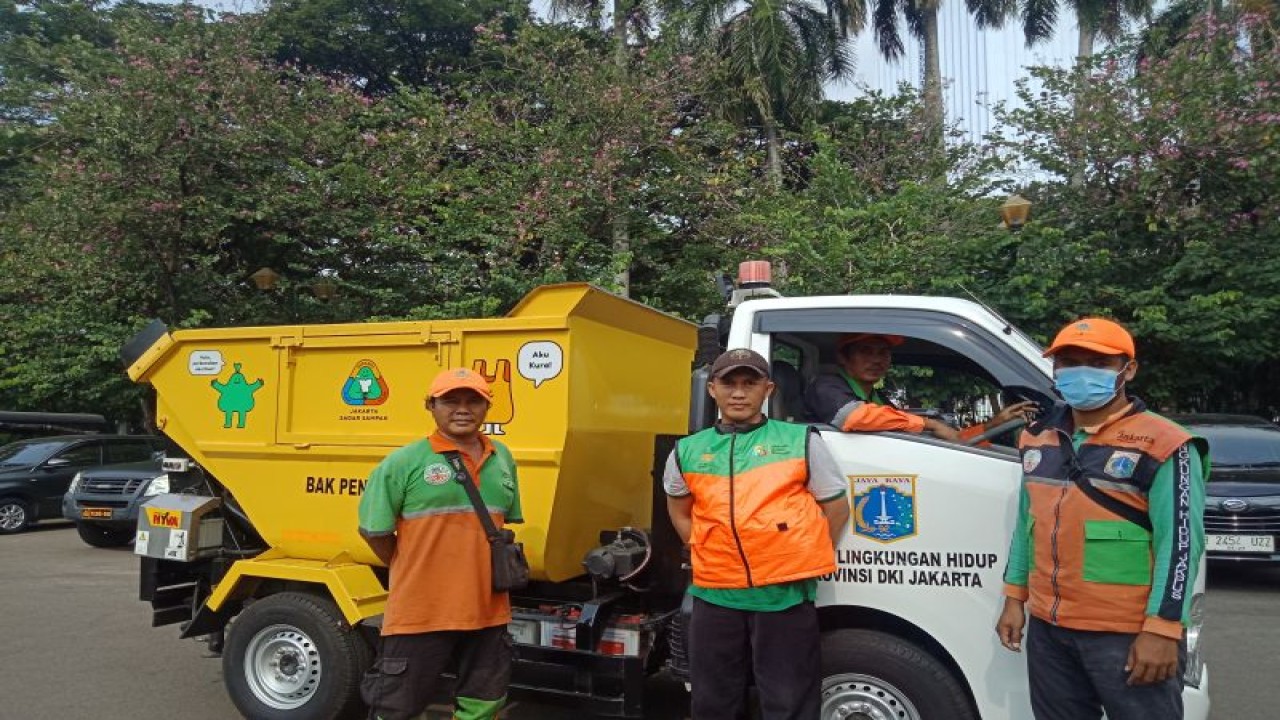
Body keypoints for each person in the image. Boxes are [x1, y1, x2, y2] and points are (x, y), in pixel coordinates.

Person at [995, 318, 1208, 720]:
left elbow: (1180, 545)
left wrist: (1163, 629)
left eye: (1098, 361)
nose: (1080, 370)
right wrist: (1014, 599)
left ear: (1128, 369)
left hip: (1127, 633)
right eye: (1069, 361)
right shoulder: (1037, 437)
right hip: (1049, 628)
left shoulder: (1167, 444)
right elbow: (1028, 526)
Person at [665, 348, 851, 720]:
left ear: (767, 389)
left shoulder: (801, 441)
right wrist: (706, 548)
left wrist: (803, 556)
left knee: (789, 700)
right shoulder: (687, 450)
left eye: (749, 383)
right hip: (714, 595)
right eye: (729, 383)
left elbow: (836, 508)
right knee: (713, 702)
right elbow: (679, 510)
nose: (738, 393)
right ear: (712, 390)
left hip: (783, 596)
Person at [358, 367, 523, 720]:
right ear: (430, 406)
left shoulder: (503, 458)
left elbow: (498, 526)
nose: (462, 409)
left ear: (487, 407)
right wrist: (411, 565)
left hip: (488, 612)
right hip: (420, 611)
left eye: (473, 400)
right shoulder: (403, 462)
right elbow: (374, 531)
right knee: (395, 707)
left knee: (483, 704)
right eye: (450, 400)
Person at [805, 332, 1035, 442]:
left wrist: (995, 425)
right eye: (866, 351)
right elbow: (852, 417)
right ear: (844, 358)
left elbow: (950, 439)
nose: (876, 360)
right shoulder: (827, 386)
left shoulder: (877, 397)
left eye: (883, 353)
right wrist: (929, 423)